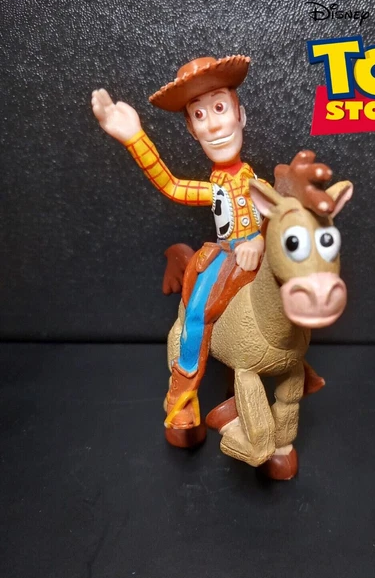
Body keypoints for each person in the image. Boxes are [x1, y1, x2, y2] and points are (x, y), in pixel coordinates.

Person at [91, 55, 269, 432]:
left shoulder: (262, 187)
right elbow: (171, 185)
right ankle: (182, 394)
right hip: (225, 258)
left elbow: (283, 218)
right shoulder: (213, 189)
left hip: (261, 258)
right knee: (197, 312)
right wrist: (134, 137)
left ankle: (294, 374)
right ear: (192, 130)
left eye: (219, 108)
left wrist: (259, 237)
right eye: (199, 115)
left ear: (240, 115)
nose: (213, 124)